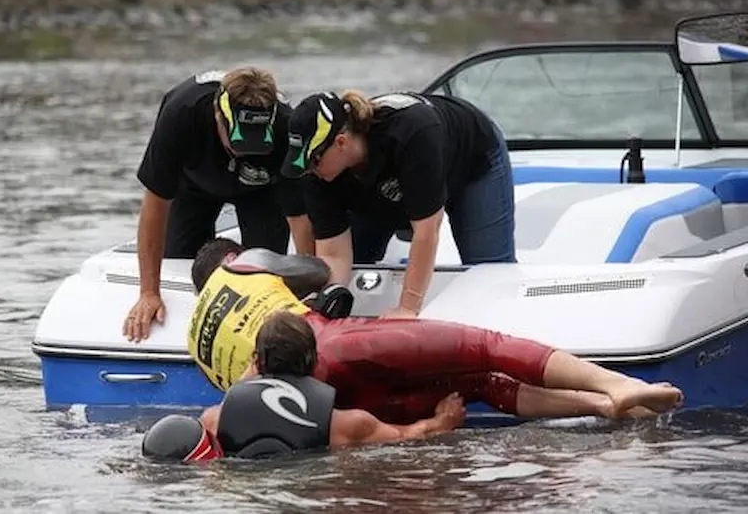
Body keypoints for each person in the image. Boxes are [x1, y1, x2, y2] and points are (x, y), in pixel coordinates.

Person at [186, 238, 684, 426]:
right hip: (333, 342)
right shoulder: (244, 266)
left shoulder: (195, 346)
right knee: (485, 351)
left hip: (323, 404)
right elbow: (314, 269)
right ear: (228, 261)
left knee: (477, 388)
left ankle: (599, 409)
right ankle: (615, 387)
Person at [279, 90, 515, 319]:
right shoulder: (317, 174)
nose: (310, 172)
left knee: (489, 272)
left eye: (313, 162)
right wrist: (321, 306)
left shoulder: (411, 132)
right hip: (380, 188)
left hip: (470, 163)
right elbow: (334, 255)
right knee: (357, 264)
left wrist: (407, 307)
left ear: (341, 142)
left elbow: (426, 231)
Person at [124, 67, 315, 343]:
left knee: (263, 271)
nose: (244, 149)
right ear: (217, 114)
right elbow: (155, 204)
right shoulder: (182, 113)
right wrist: (149, 293)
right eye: (238, 142)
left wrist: (306, 296)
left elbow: (300, 219)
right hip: (194, 183)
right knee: (180, 258)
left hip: (261, 193)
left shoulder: (286, 125)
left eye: (255, 142)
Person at [142, 310, 465, 463]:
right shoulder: (347, 424)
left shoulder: (216, 417)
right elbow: (413, 436)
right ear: (314, 362)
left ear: (258, 361)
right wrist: (443, 420)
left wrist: (246, 380)